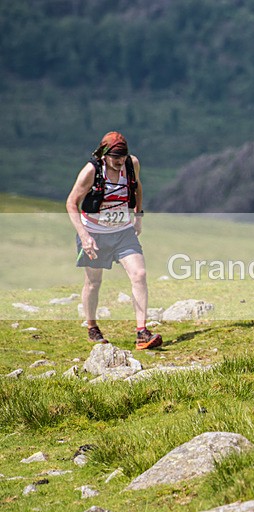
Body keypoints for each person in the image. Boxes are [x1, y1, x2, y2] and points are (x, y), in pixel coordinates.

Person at [66, 131, 162, 349]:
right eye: (115, 158)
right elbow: (71, 203)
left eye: (123, 157)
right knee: (93, 283)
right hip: (94, 234)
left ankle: (142, 333)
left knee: (140, 274)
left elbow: (137, 187)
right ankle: (92, 327)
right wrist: (84, 236)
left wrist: (138, 217)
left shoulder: (131, 164)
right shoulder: (90, 172)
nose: (120, 162)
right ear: (104, 155)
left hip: (123, 232)